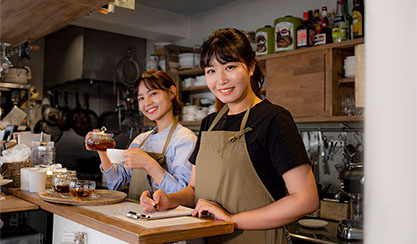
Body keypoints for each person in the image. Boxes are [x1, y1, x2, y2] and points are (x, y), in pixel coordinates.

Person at [140, 28, 319, 244]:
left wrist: (233, 220)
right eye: (211, 71)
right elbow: (195, 190)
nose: (221, 80)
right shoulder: (209, 123)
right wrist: (168, 200)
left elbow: (306, 200)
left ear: (251, 67)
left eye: (230, 67)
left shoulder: (273, 119)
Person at [85, 70, 197, 199]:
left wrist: (149, 164)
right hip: (136, 215)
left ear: (171, 92)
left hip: (165, 217)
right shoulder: (141, 140)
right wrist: (101, 150)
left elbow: (183, 195)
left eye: (153, 93)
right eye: (141, 98)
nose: (147, 102)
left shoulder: (185, 140)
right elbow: (116, 184)